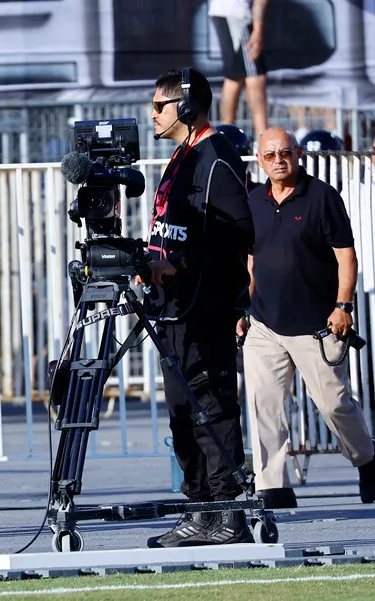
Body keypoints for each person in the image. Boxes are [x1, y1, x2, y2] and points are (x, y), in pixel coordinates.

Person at [140, 68, 255, 547]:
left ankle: (227, 512)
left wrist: (180, 263)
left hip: (203, 308)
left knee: (212, 409)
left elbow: (239, 236)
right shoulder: (182, 156)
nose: (152, 115)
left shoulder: (216, 158)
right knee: (184, 415)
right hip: (175, 309)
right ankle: (200, 508)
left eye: (160, 106)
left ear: (185, 107)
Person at [238, 126, 375, 509]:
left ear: (298, 154)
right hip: (265, 325)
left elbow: (346, 256)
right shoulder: (254, 201)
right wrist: (243, 311)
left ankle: (367, 459)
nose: (278, 161)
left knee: (334, 404)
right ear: (260, 161)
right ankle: (274, 487)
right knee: (264, 405)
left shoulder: (322, 197)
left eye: (285, 153)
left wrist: (343, 306)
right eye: (270, 155)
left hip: (317, 324)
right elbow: (251, 262)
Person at [208, 0, 269, 138]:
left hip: (227, 11)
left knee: (234, 77)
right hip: (237, 14)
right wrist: (258, 30)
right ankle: (264, 142)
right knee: (255, 77)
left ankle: (225, 135)